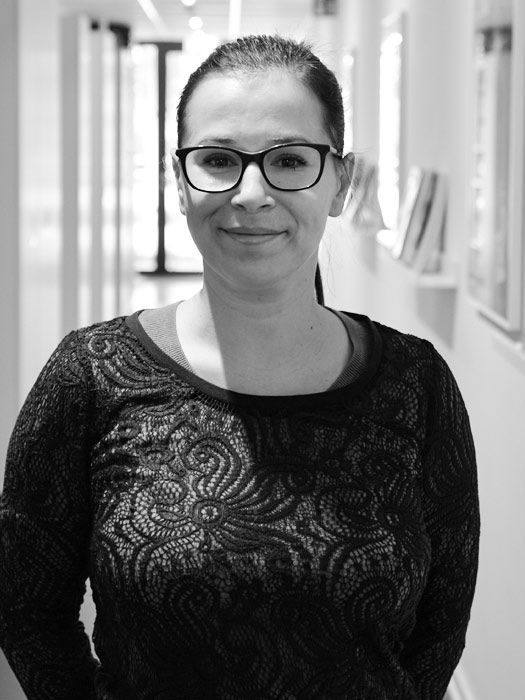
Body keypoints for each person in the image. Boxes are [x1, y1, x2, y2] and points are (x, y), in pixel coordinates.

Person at [0, 34, 479, 700]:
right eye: (219, 160)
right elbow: (28, 610)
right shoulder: (91, 375)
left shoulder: (415, 383)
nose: (251, 193)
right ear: (179, 182)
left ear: (339, 183)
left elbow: (440, 625)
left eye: (289, 160)